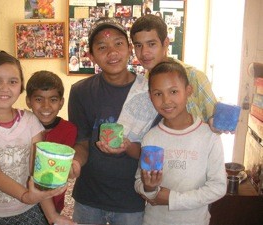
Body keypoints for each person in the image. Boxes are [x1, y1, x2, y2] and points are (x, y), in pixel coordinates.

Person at [0, 50, 72, 225]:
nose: (5, 88)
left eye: (12, 81)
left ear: (20, 86)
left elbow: (36, 171)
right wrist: (26, 196)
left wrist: (53, 216)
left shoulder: (30, 120)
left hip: (30, 211)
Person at [68, 18, 157, 225]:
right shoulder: (80, 92)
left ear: (128, 48)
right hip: (89, 197)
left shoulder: (149, 92)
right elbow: (82, 142)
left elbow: (156, 146)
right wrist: (75, 162)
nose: (112, 52)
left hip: (131, 199)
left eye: (118, 43)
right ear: (91, 55)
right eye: (102, 47)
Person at [134, 60, 227, 225]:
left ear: (188, 91)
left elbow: (218, 187)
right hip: (154, 221)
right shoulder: (151, 137)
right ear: (150, 96)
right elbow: (140, 182)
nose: (166, 100)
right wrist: (150, 189)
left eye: (174, 91)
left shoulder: (208, 136)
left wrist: (173, 199)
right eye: (158, 94)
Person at [130, 14, 222, 132]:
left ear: (166, 43)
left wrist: (218, 123)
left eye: (151, 44)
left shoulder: (194, 76)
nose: (144, 52)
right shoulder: (144, 83)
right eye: (138, 45)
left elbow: (216, 124)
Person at [26, 70, 78, 217]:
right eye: (38, 99)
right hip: (23, 201)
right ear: (28, 101)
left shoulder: (69, 130)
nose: (46, 106)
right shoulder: (22, 126)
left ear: (61, 102)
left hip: (54, 202)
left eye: (53, 100)